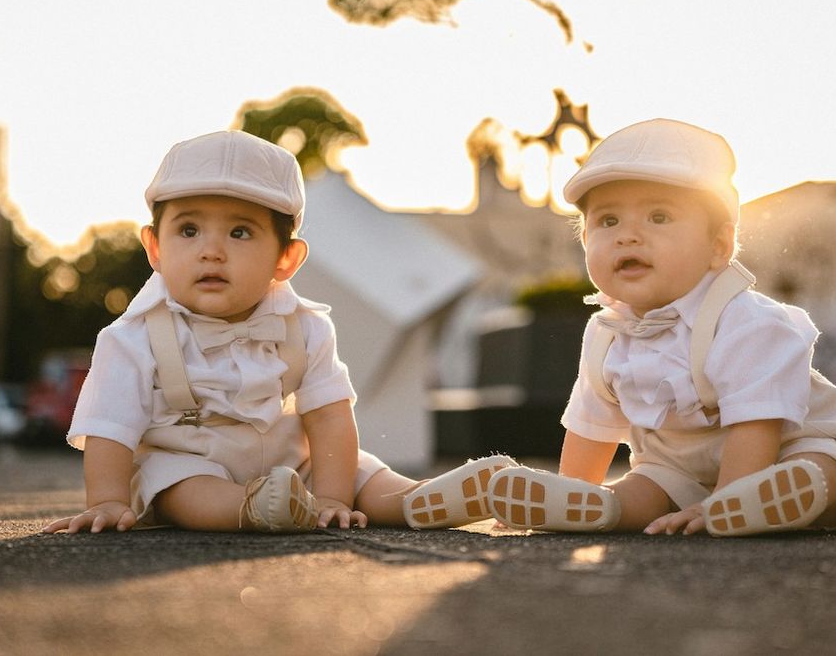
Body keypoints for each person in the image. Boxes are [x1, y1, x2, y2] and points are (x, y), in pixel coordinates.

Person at [43, 130, 515, 535]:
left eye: (240, 233)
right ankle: (249, 509)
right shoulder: (133, 337)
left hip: (293, 466)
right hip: (192, 465)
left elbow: (329, 417)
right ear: (154, 247)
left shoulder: (306, 326)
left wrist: (332, 496)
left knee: (363, 474)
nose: (211, 251)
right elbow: (110, 429)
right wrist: (106, 501)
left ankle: (426, 498)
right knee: (182, 488)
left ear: (285, 259)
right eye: (188, 231)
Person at [486, 118, 836, 537]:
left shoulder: (749, 322)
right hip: (679, 467)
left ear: (718, 247)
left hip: (786, 446)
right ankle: (600, 508)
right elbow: (590, 427)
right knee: (644, 486)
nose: (628, 236)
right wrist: (571, 489)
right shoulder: (607, 334)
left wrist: (723, 503)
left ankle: (768, 501)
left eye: (658, 216)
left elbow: (756, 425)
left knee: (818, 468)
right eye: (608, 221)